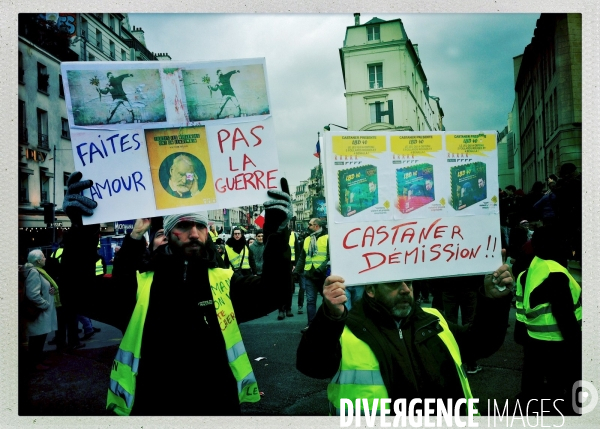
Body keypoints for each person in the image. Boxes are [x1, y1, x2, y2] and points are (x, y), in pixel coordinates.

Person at [59, 171, 293, 415]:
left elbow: (275, 292)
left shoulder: (223, 281)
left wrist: (276, 230)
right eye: (183, 225)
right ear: (168, 234)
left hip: (215, 407)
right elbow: (76, 294)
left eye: (200, 225)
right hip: (155, 408)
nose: (194, 233)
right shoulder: (140, 286)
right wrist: (82, 228)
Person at [296, 257, 514, 416]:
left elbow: (482, 343)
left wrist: (494, 302)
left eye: (408, 283)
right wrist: (330, 316)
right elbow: (312, 365)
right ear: (371, 289)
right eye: (394, 283)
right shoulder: (346, 330)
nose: (405, 290)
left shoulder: (433, 319)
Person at [514, 226, 581, 415]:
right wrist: (578, 345)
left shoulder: (527, 273)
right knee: (559, 390)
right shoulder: (556, 273)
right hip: (559, 344)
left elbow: (520, 314)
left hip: (533, 340)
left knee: (532, 386)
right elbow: (565, 316)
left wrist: (525, 337)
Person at [22, 249, 59, 371]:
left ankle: (39, 359)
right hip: (40, 312)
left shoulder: (39, 271)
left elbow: (42, 287)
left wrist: (50, 290)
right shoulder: (34, 272)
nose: (45, 259)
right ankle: (35, 363)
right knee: (36, 339)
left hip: (42, 312)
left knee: (40, 337)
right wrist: (45, 304)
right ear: (38, 260)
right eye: (43, 257)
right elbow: (32, 294)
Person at [295, 218, 329, 333]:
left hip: (323, 275)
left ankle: (326, 324)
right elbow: (302, 257)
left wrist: (321, 268)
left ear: (316, 226)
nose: (307, 226)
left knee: (327, 301)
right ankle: (311, 326)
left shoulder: (327, 238)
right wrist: (296, 272)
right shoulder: (307, 239)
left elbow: (330, 256)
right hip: (309, 274)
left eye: (309, 225)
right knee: (310, 301)